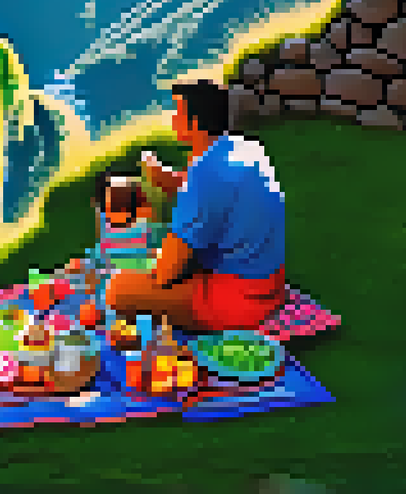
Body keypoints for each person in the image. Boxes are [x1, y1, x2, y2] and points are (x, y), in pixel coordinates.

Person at [105, 80, 287, 333]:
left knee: (119, 289)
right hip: (269, 285)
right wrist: (162, 176)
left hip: (240, 303)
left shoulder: (203, 179)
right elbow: (217, 192)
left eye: (177, 112)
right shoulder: (245, 149)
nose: (172, 118)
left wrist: (153, 258)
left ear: (194, 123)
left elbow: (166, 272)